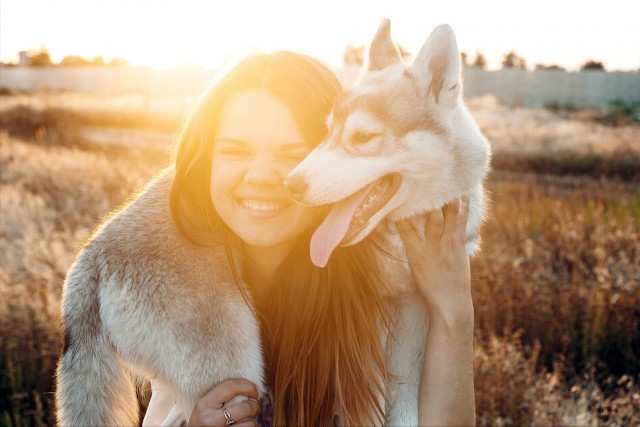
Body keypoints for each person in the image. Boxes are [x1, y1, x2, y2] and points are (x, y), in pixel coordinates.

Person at [133, 50, 473, 426]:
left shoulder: (381, 297)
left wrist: (453, 310)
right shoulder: (187, 300)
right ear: (205, 162)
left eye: (293, 153)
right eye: (234, 150)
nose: (261, 176)